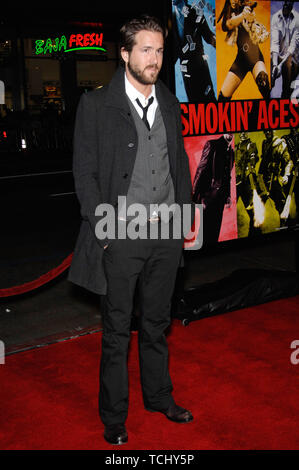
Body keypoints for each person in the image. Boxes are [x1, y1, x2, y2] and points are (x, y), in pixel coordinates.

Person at [68, 15, 194, 446]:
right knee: (117, 331)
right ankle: (115, 417)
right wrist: (103, 230)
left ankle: (160, 398)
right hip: (120, 234)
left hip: (165, 232)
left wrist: (184, 221)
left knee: (157, 324)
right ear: (124, 54)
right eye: (145, 49)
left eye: (159, 50)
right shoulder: (97, 104)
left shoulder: (171, 101)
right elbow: (84, 174)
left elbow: (179, 165)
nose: (154, 59)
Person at [217, 0, 270, 101]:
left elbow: (252, 12)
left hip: (255, 56)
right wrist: (242, 16)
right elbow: (227, 25)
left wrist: (248, 15)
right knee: (222, 98)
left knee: (263, 82)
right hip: (241, 60)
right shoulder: (231, 15)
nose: (234, 1)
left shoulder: (246, 8)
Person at [192, 134, 234, 245]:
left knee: (213, 236)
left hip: (220, 200)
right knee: (202, 236)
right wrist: (193, 196)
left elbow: (227, 176)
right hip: (207, 198)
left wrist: (228, 195)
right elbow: (200, 170)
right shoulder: (212, 145)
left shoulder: (231, 152)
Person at [172, 0, 216, 102]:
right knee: (193, 105)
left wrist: (223, 44)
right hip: (186, 72)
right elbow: (174, 50)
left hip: (201, 67)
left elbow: (208, 36)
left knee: (210, 101)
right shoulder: (171, 17)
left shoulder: (195, 12)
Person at [258, 129, 293, 214]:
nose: (267, 133)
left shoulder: (280, 143)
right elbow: (264, 161)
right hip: (264, 178)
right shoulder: (265, 143)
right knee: (257, 204)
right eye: (265, 131)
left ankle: (284, 225)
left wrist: (286, 175)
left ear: (273, 131)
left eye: (269, 130)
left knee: (281, 205)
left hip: (275, 178)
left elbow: (288, 162)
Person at [271, 1, 299, 98]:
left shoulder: (297, 18)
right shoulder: (275, 17)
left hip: (293, 58)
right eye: (286, 1)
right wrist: (275, 65)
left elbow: (293, 46)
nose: (287, 2)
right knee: (269, 79)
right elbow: (274, 43)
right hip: (279, 55)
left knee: (287, 90)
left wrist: (281, 64)